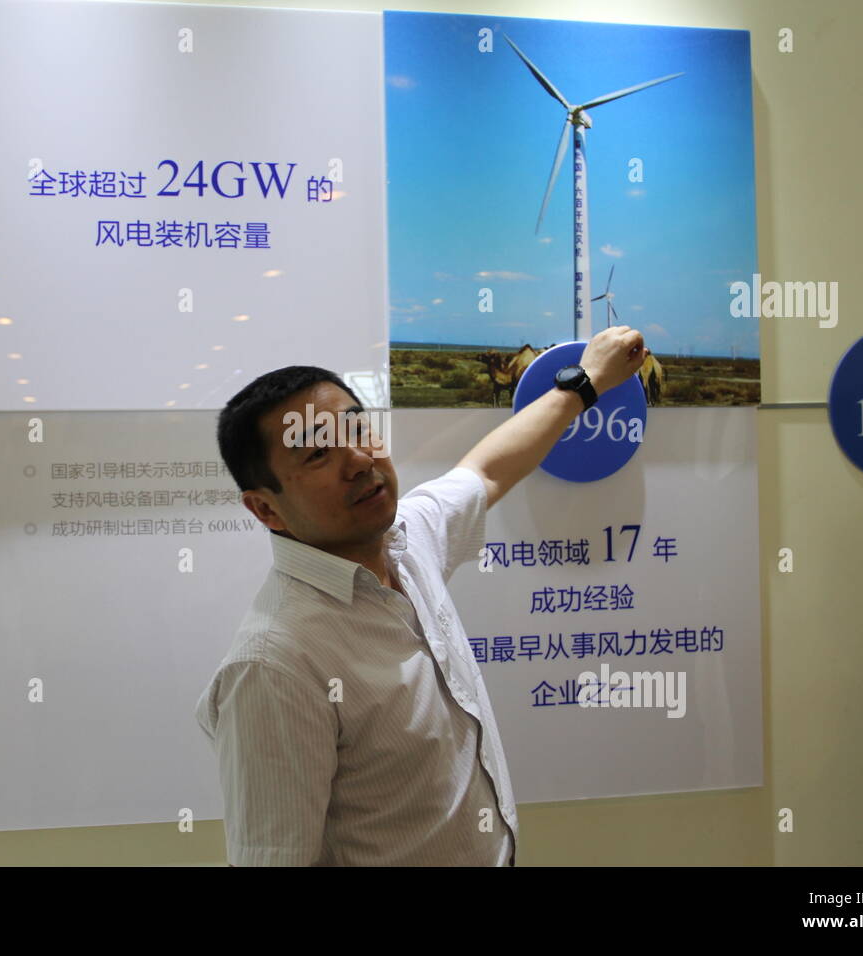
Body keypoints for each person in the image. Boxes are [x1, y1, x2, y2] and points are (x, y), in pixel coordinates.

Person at [195, 325, 649, 866]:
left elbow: (487, 469)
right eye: (318, 455)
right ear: (265, 509)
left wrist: (588, 381)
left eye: (358, 429)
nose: (360, 460)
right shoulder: (274, 665)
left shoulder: (407, 540)